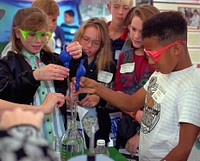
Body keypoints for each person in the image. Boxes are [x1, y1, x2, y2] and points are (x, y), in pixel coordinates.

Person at [75, 11, 200, 161]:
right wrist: (96, 87)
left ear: (176, 49)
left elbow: (183, 149)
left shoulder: (192, 86)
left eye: (153, 56)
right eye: (147, 55)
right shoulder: (161, 74)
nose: (151, 62)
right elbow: (131, 102)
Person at [0, 7, 83, 150]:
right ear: (18, 33)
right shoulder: (7, 63)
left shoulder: (53, 59)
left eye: (44, 34)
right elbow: (7, 95)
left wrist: (77, 56)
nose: (39, 40)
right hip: (27, 145)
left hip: (58, 138)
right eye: (32, 34)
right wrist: (34, 76)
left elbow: (76, 73)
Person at [114, 5, 159, 156]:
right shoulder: (124, 57)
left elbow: (164, 104)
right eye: (133, 29)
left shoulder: (160, 60)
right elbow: (118, 95)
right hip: (125, 131)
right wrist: (135, 113)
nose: (137, 36)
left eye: (143, 31)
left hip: (154, 136)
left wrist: (141, 135)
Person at [72, 17, 116, 148]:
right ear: (79, 37)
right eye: (86, 39)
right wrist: (66, 98)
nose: (89, 46)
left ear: (102, 45)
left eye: (96, 43)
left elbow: (116, 98)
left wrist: (99, 99)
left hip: (98, 129)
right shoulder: (67, 61)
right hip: (71, 125)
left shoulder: (108, 66)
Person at [107, 0, 134, 65]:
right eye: (116, 7)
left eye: (125, 8)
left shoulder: (133, 37)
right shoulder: (100, 32)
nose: (120, 12)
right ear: (109, 7)